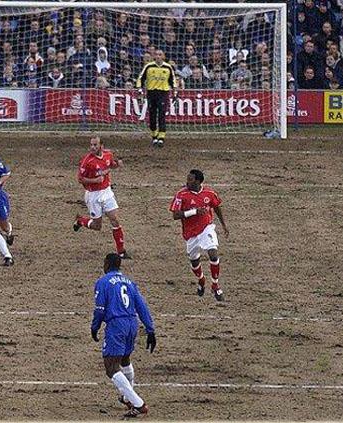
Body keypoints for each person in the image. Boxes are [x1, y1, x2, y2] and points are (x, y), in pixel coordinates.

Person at [91, 253, 156, 418]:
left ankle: (138, 404)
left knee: (111, 366)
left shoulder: (103, 282)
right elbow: (142, 306)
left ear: (107, 264)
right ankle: (128, 398)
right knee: (125, 359)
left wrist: (95, 326)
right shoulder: (130, 283)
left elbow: (100, 309)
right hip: (132, 324)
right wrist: (150, 329)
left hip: (116, 325)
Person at [169, 169, 229, 301]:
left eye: (190, 179)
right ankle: (201, 280)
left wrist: (223, 225)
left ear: (198, 181)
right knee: (194, 260)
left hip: (206, 228)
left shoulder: (209, 193)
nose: (187, 181)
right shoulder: (181, 194)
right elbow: (175, 215)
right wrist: (194, 212)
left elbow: (217, 207)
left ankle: (215, 285)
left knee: (213, 254)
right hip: (190, 233)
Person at [73, 137, 129, 259]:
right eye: (91, 145)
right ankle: (81, 221)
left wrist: (117, 165)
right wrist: (95, 180)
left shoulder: (108, 155)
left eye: (95, 145)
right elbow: (80, 179)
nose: (92, 147)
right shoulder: (87, 161)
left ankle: (121, 251)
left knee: (115, 219)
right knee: (97, 226)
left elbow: (111, 165)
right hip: (93, 195)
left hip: (106, 192)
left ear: (101, 146)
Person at [136, 49, 176, 147]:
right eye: (156, 55)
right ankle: (154, 136)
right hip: (151, 93)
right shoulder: (149, 66)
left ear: (163, 56)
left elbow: (173, 81)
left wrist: (175, 92)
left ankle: (161, 137)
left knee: (161, 115)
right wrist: (140, 90)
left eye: (160, 55)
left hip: (163, 93)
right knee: (152, 116)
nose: (158, 56)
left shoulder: (168, 67)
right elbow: (141, 78)